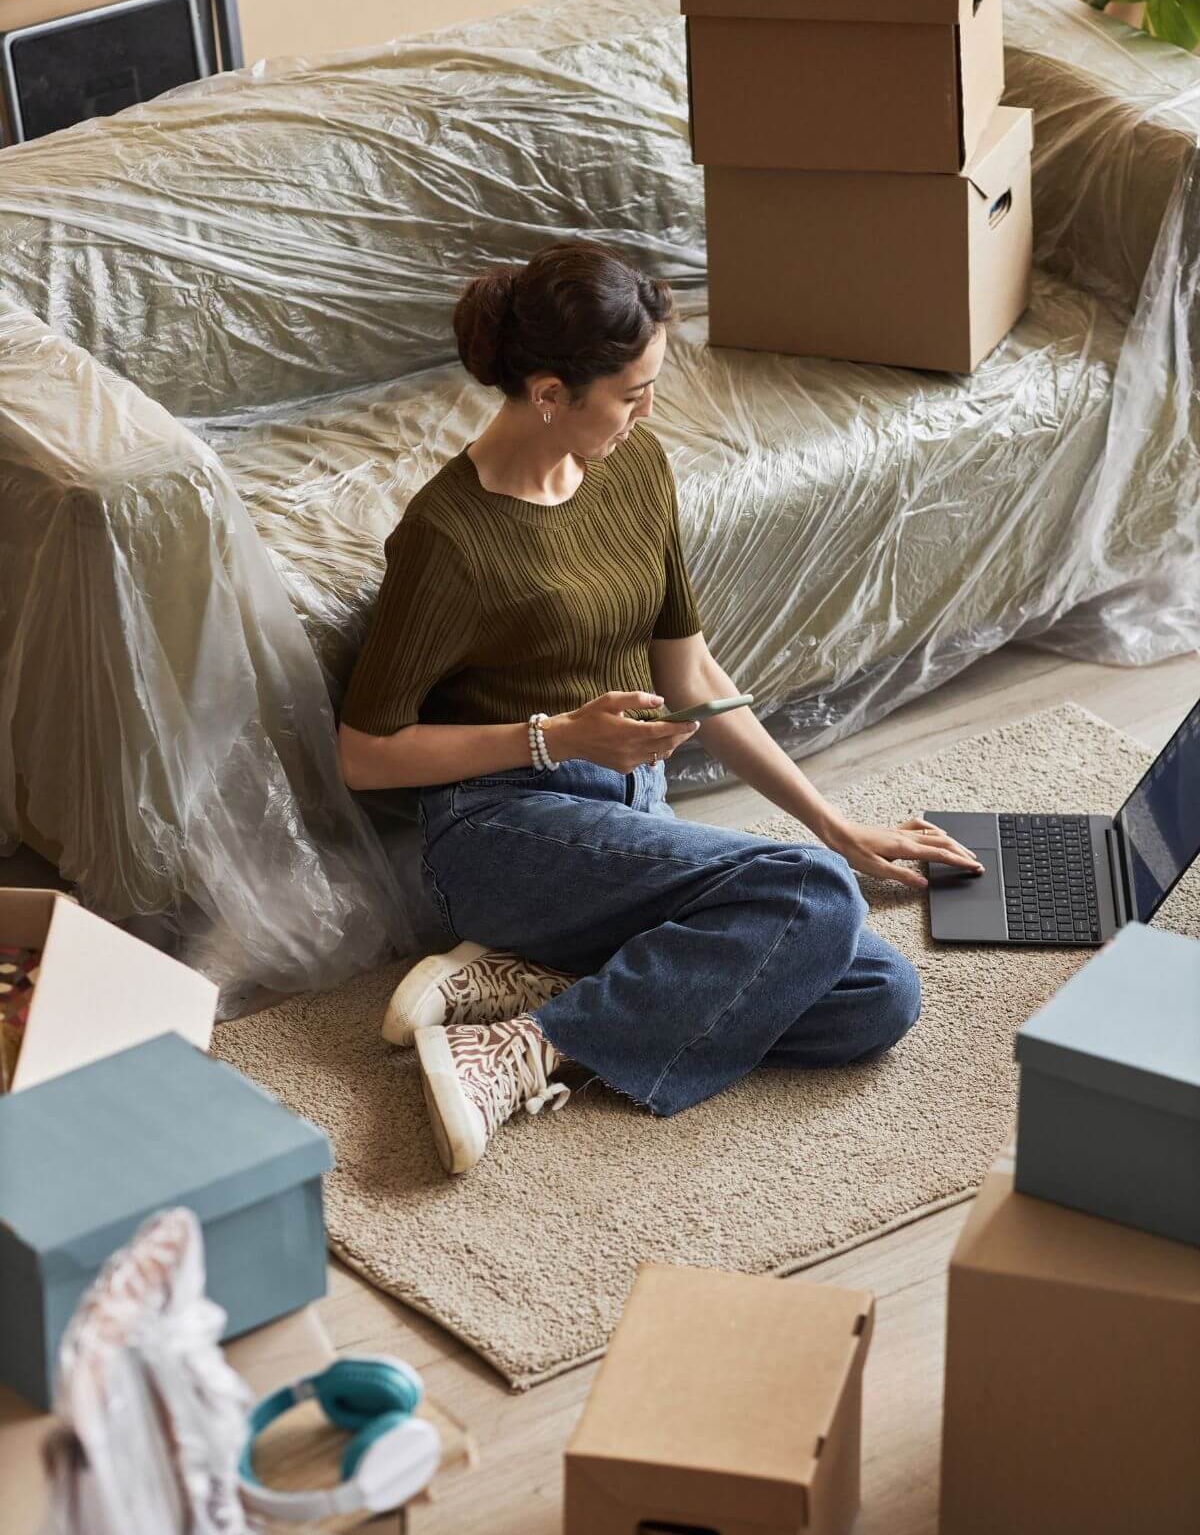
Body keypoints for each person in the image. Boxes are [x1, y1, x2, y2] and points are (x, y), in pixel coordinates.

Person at [337, 240, 983, 1176]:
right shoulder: (447, 536)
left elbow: (693, 677)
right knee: (805, 897)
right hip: (499, 830)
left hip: (622, 816)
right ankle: (519, 1050)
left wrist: (837, 825)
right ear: (552, 392)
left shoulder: (634, 469)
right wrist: (556, 738)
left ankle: (539, 980)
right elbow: (365, 753)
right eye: (632, 393)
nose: (649, 412)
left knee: (877, 995)